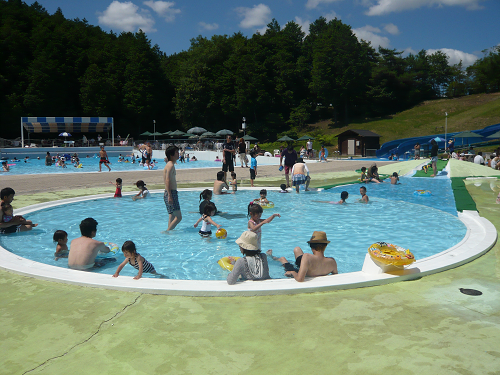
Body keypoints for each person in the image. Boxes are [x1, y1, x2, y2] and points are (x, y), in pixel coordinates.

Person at [267, 231, 337, 282]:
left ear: (311, 246)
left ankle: (271, 256)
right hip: (308, 264)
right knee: (297, 249)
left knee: (284, 258)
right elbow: (336, 276)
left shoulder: (307, 256)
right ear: (325, 246)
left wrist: (293, 273)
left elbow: (300, 279)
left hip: (302, 268)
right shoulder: (332, 261)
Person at [163, 145, 182, 231]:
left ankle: (169, 233)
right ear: (171, 155)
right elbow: (167, 180)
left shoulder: (169, 164)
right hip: (171, 193)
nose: (179, 154)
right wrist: (170, 195)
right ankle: (167, 232)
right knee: (178, 217)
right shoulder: (170, 165)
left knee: (172, 215)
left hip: (168, 192)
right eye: (176, 152)